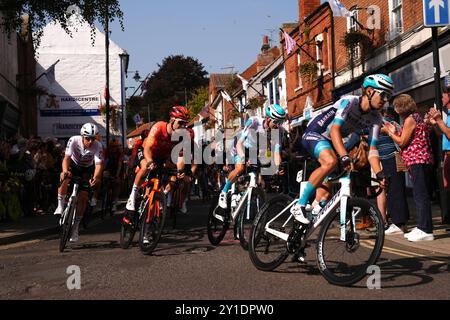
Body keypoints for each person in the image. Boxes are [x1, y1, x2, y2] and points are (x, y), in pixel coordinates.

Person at [291, 74, 391, 224]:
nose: (385, 100)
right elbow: (334, 130)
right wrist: (344, 156)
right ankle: (299, 205)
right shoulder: (349, 102)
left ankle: (306, 222)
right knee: (331, 161)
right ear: (369, 91)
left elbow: (372, 150)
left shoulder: (376, 119)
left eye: (388, 96)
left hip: (331, 143)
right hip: (315, 133)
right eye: (383, 95)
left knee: (325, 197)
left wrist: (379, 174)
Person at [218, 103, 287, 209]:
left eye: (280, 122)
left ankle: (250, 200)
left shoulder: (277, 131)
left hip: (254, 152)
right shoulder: (254, 121)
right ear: (268, 119)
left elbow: (276, 153)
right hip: (240, 146)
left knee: (258, 179)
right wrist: (243, 158)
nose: (278, 125)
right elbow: (239, 144)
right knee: (240, 167)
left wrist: (278, 167)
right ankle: (223, 192)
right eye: (276, 122)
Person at [384, 94, 434, 241]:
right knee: (421, 194)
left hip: (417, 160)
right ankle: (423, 227)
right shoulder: (416, 117)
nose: (395, 109)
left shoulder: (410, 119)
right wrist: (395, 130)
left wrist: (390, 133)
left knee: (420, 195)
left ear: (401, 107)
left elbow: (402, 142)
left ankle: (425, 230)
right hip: (420, 160)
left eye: (396, 106)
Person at [125, 106, 189, 215]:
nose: (183, 126)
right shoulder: (159, 127)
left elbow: (181, 157)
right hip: (147, 152)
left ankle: (153, 203)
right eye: (180, 123)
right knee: (145, 166)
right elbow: (148, 147)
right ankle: (133, 196)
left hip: (162, 157)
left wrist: (179, 170)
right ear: (172, 120)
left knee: (161, 180)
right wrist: (149, 161)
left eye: (185, 124)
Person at [54, 123, 104, 242]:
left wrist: (96, 177)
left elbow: (99, 165)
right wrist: (65, 170)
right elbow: (66, 158)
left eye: (93, 138)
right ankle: (60, 206)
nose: (90, 141)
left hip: (87, 169)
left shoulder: (98, 146)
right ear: (82, 136)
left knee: (83, 196)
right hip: (74, 165)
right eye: (87, 138)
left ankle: (75, 227)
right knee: (64, 177)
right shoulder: (74, 140)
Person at [379, 107, 410, 235]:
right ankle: (401, 221)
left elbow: (366, 131)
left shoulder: (384, 123)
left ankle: (399, 223)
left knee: (394, 190)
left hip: (390, 159)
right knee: (396, 190)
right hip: (392, 159)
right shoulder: (391, 123)